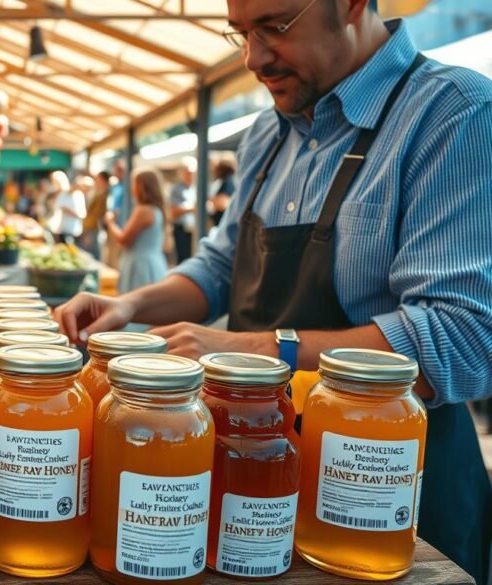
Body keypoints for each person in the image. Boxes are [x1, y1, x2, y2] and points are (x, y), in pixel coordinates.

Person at [54, 1, 492, 581]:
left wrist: (263, 349)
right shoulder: (269, 130)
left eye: (274, 26)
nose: (252, 57)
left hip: (383, 495)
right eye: (239, 31)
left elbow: (465, 338)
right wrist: (132, 305)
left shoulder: (452, 113)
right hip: (251, 471)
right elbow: (218, 265)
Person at [105, 169, 169, 293]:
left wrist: (110, 222)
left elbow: (124, 240)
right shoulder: (156, 209)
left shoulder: (143, 211)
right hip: (154, 264)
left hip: (140, 266)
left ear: (141, 186)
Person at [46, 170, 85, 245]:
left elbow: (82, 214)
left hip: (72, 230)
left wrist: (68, 211)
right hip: (61, 229)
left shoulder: (78, 195)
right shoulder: (62, 195)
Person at [169, 157, 197, 263]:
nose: (191, 175)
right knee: (183, 258)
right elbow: (173, 211)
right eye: (189, 172)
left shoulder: (195, 188)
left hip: (193, 229)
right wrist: (190, 208)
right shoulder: (176, 189)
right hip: (181, 229)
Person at [77, 175, 104, 259]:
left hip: (91, 228)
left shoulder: (94, 196)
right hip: (88, 227)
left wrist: (87, 231)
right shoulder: (86, 196)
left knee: (93, 250)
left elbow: (94, 215)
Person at [210, 158, 237, 227]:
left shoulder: (228, 181)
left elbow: (224, 203)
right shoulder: (223, 181)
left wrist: (212, 200)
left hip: (224, 223)